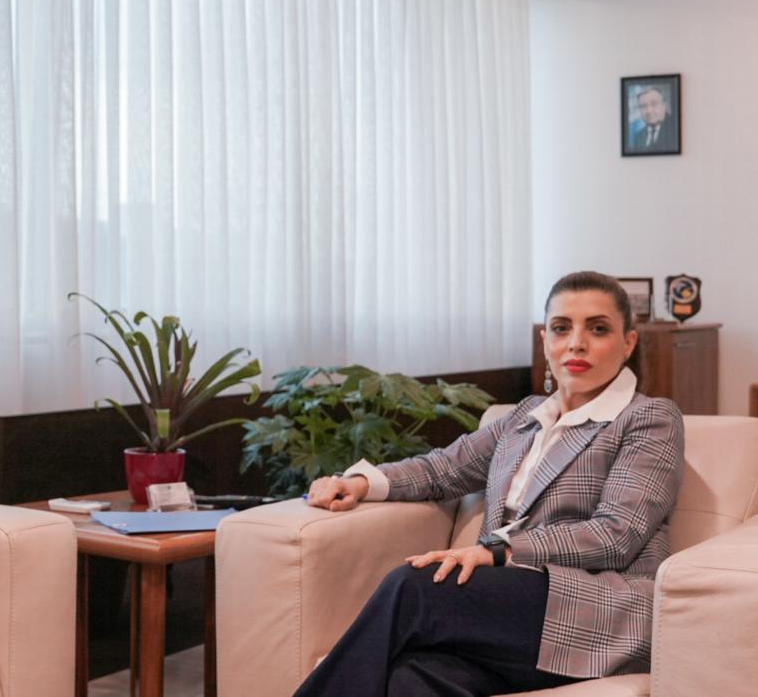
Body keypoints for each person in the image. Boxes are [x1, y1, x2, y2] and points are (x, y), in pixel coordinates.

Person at [293, 271, 685, 697]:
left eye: (598, 329)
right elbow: (443, 468)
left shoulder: (650, 418)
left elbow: (616, 534)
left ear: (628, 343)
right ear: (545, 341)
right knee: (413, 676)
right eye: (561, 328)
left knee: (414, 586)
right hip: (505, 618)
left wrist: (499, 551)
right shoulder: (524, 417)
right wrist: (361, 483)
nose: (576, 343)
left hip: (590, 611)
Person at [628, 86, 678, 153]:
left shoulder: (675, 130)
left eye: (654, 104)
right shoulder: (638, 137)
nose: (649, 111)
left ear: (664, 106)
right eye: (643, 106)